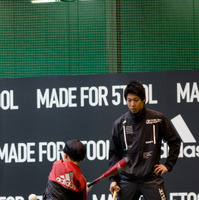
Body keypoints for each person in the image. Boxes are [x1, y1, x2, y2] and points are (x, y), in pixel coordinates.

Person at [109, 80, 181, 200]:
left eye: (136, 100)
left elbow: (174, 142)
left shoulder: (158, 119)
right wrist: (113, 180)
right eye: (129, 100)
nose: (132, 104)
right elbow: (114, 155)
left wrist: (168, 165)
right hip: (127, 180)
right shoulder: (119, 124)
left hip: (151, 179)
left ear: (144, 99)